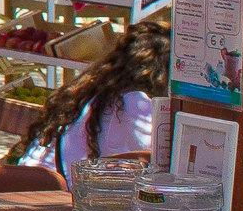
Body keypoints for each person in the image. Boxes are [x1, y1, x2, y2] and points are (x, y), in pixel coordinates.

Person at [11, 15, 169, 179]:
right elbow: (159, 159)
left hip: (28, 181)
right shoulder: (134, 102)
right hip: (53, 191)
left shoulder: (90, 91)